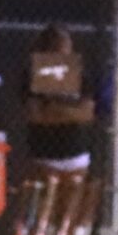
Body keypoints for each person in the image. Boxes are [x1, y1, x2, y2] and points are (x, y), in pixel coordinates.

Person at [23, 23, 94, 178]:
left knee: (74, 201)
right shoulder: (34, 74)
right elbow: (36, 116)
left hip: (76, 153)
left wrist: (54, 109)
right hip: (44, 156)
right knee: (42, 201)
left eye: (66, 45)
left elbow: (87, 114)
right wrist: (71, 113)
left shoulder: (80, 75)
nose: (63, 51)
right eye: (56, 46)